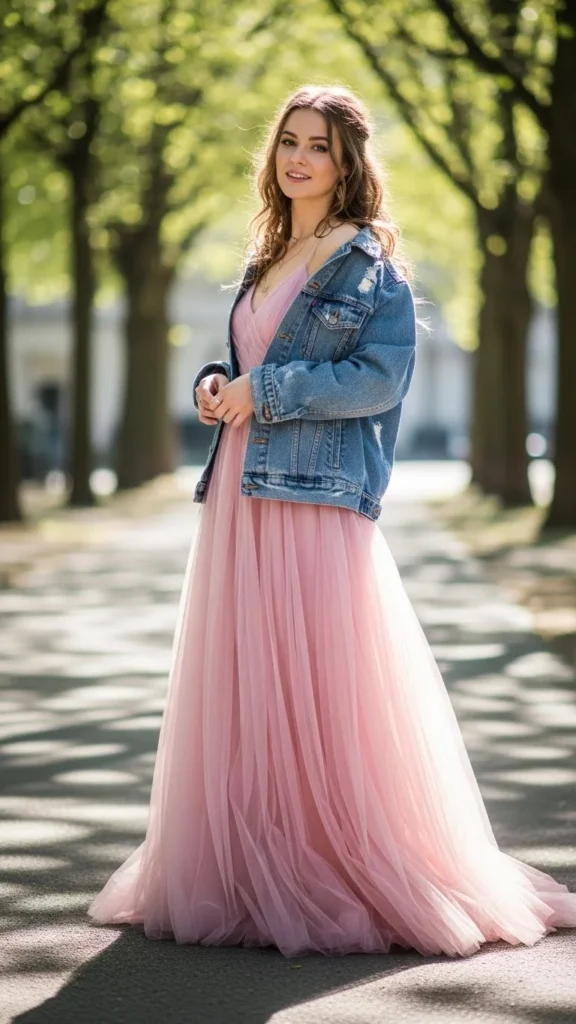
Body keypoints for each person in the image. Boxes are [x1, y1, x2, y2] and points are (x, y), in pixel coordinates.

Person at [87, 84, 576, 957]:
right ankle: (249, 860)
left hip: (311, 500)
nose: (299, 158)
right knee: (245, 677)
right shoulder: (268, 251)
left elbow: (379, 380)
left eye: (318, 145)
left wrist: (263, 392)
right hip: (240, 491)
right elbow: (248, 353)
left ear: (349, 162)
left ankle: (329, 862)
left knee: (318, 685)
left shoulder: (368, 265)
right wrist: (215, 382)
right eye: (288, 142)